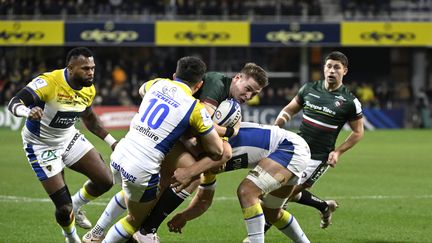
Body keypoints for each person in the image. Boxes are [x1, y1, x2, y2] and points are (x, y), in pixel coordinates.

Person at [82, 63, 269, 243]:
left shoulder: (161, 84)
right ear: (237, 78)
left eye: (255, 93)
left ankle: (99, 232)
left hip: (136, 144)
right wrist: (229, 133)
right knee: (193, 173)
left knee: (149, 190)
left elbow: (142, 90)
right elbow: (206, 127)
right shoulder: (216, 85)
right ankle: (147, 230)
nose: (249, 95)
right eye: (248, 88)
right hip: (167, 142)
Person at [101, 56, 225, 243]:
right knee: (136, 220)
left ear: (175, 75)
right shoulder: (195, 108)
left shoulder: (157, 83)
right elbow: (217, 150)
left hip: (120, 154)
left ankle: (97, 231)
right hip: (140, 169)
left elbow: (141, 90)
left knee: (140, 201)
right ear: (199, 85)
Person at [7, 47, 116, 243]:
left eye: (92, 68)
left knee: (105, 181)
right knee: (63, 209)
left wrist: (112, 142)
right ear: (71, 68)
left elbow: (89, 118)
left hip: (68, 138)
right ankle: (71, 238)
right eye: (85, 68)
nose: (91, 72)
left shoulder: (88, 88)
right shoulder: (49, 82)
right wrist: (26, 112)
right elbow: (15, 102)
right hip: (41, 145)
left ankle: (76, 203)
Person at [167, 122, 311, 243]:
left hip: (290, 148)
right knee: (272, 213)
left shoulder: (209, 144)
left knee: (247, 191)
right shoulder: (203, 164)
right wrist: (184, 216)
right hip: (291, 152)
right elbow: (204, 200)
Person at [268, 51, 364, 231]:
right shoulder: (309, 89)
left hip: (319, 158)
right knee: (282, 192)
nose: (332, 70)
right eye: (329, 66)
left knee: (279, 198)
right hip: (296, 150)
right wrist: (278, 124)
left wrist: (338, 152)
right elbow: (289, 110)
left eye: (337, 67)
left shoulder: (350, 101)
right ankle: (324, 207)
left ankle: (255, 237)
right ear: (324, 68)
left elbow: (358, 132)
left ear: (345, 71)